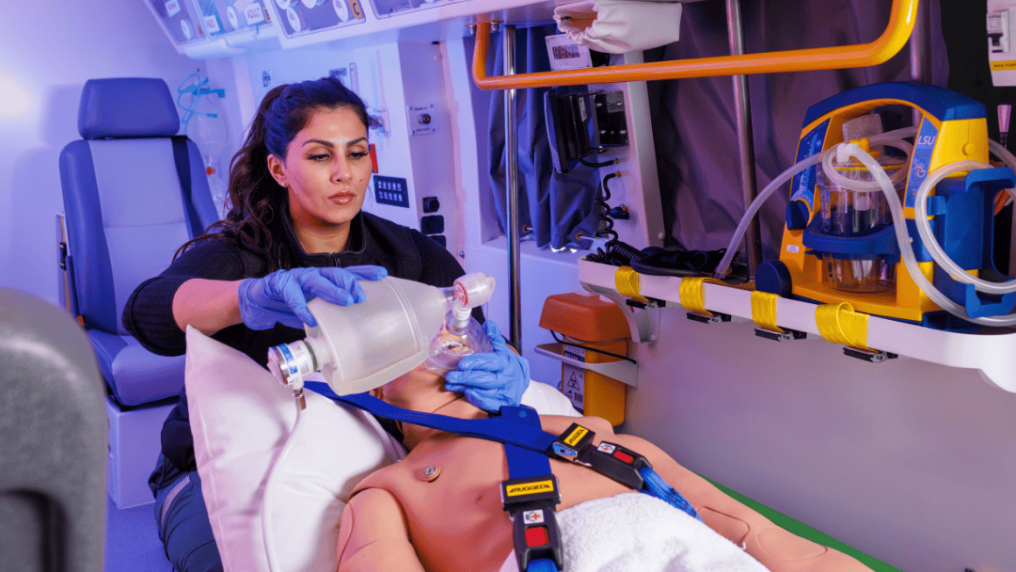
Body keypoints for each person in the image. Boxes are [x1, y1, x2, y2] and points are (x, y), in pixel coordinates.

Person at [122, 76, 529, 572]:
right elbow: (148, 313)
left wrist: (502, 363)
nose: (345, 174)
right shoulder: (241, 255)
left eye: (356, 154)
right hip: (216, 468)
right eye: (320, 157)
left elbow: (473, 331)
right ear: (279, 168)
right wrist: (246, 296)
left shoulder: (408, 254)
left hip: (370, 451)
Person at [335, 362, 875, 572]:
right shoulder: (389, 488)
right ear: (379, 388)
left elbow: (743, 528)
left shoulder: (587, 432)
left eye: (453, 336)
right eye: (410, 350)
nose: (442, 348)